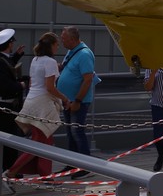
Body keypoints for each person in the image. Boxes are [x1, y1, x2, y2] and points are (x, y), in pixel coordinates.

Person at [9, 33, 67, 177]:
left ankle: (44, 175)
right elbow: (50, 87)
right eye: (56, 44)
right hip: (42, 104)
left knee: (43, 140)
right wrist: (65, 99)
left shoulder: (35, 60)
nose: (58, 47)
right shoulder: (50, 62)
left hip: (31, 101)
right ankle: (12, 171)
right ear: (51, 45)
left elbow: (33, 83)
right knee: (41, 142)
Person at [57, 26, 98, 178]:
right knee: (71, 132)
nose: (61, 41)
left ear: (73, 39)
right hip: (68, 100)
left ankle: (85, 167)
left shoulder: (84, 54)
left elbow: (87, 80)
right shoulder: (72, 51)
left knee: (77, 132)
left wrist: (78, 100)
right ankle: (73, 164)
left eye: (64, 38)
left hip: (77, 101)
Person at [0, 28, 27, 171]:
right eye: (11, 43)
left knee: (9, 138)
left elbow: (8, 65)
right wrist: (21, 85)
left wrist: (17, 55)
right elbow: (6, 84)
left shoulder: (0, 59)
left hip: (6, 106)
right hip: (4, 106)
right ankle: (7, 168)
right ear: (8, 44)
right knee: (7, 139)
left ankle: (9, 167)